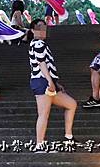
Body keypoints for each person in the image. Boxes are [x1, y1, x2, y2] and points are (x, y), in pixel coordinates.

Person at [28, 19, 77, 152]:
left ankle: (68, 137)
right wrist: (50, 81)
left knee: (71, 104)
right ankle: (39, 144)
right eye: (39, 27)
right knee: (43, 113)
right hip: (42, 81)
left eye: (44, 27)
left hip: (46, 81)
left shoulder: (40, 43)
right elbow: (41, 63)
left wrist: (55, 82)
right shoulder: (38, 43)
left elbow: (45, 64)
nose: (42, 30)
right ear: (32, 30)